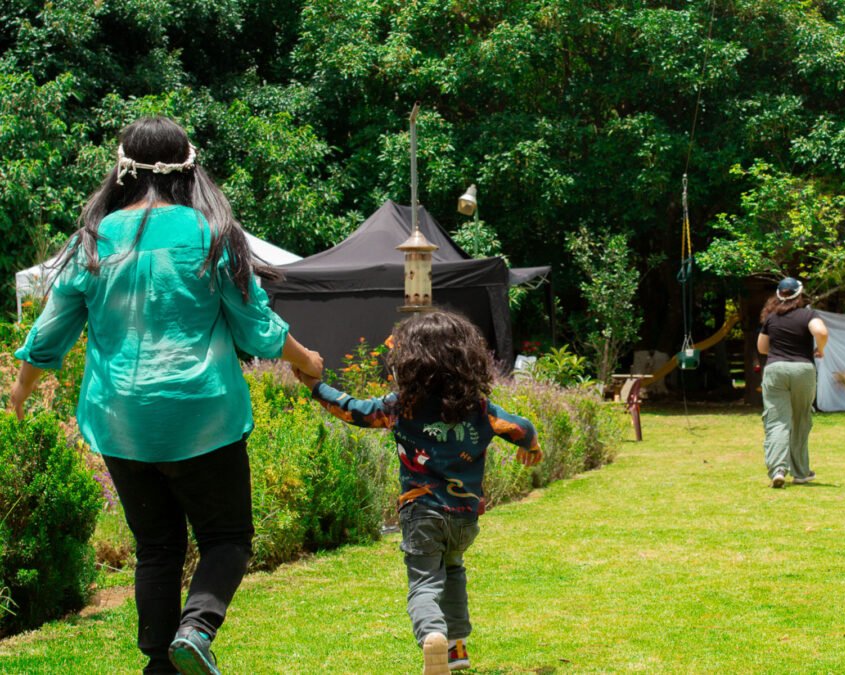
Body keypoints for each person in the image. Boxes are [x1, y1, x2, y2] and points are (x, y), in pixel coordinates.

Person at [8, 116, 324, 675]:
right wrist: (306, 361)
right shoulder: (210, 234)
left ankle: (160, 663)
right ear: (188, 166)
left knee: (156, 548)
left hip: (122, 422)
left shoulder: (94, 239)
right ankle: (197, 630)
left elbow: (52, 330)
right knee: (226, 538)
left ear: (123, 168)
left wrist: (20, 392)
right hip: (204, 415)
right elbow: (254, 324)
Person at [293, 310, 542, 675]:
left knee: (424, 581)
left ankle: (432, 637)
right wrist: (532, 449)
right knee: (453, 570)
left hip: (421, 512)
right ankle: (456, 648)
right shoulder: (480, 409)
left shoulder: (400, 407)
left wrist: (316, 387)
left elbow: (353, 411)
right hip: (464, 518)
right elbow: (522, 427)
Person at [757, 277, 829, 488]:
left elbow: (762, 348)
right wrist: (820, 350)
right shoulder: (808, 314)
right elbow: (821, 332)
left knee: (777, 421)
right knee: (800, 420)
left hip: (775, 369)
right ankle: (800, 472)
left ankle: (778, 469)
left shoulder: (771, 318)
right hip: (803, 369)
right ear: (799, 294)